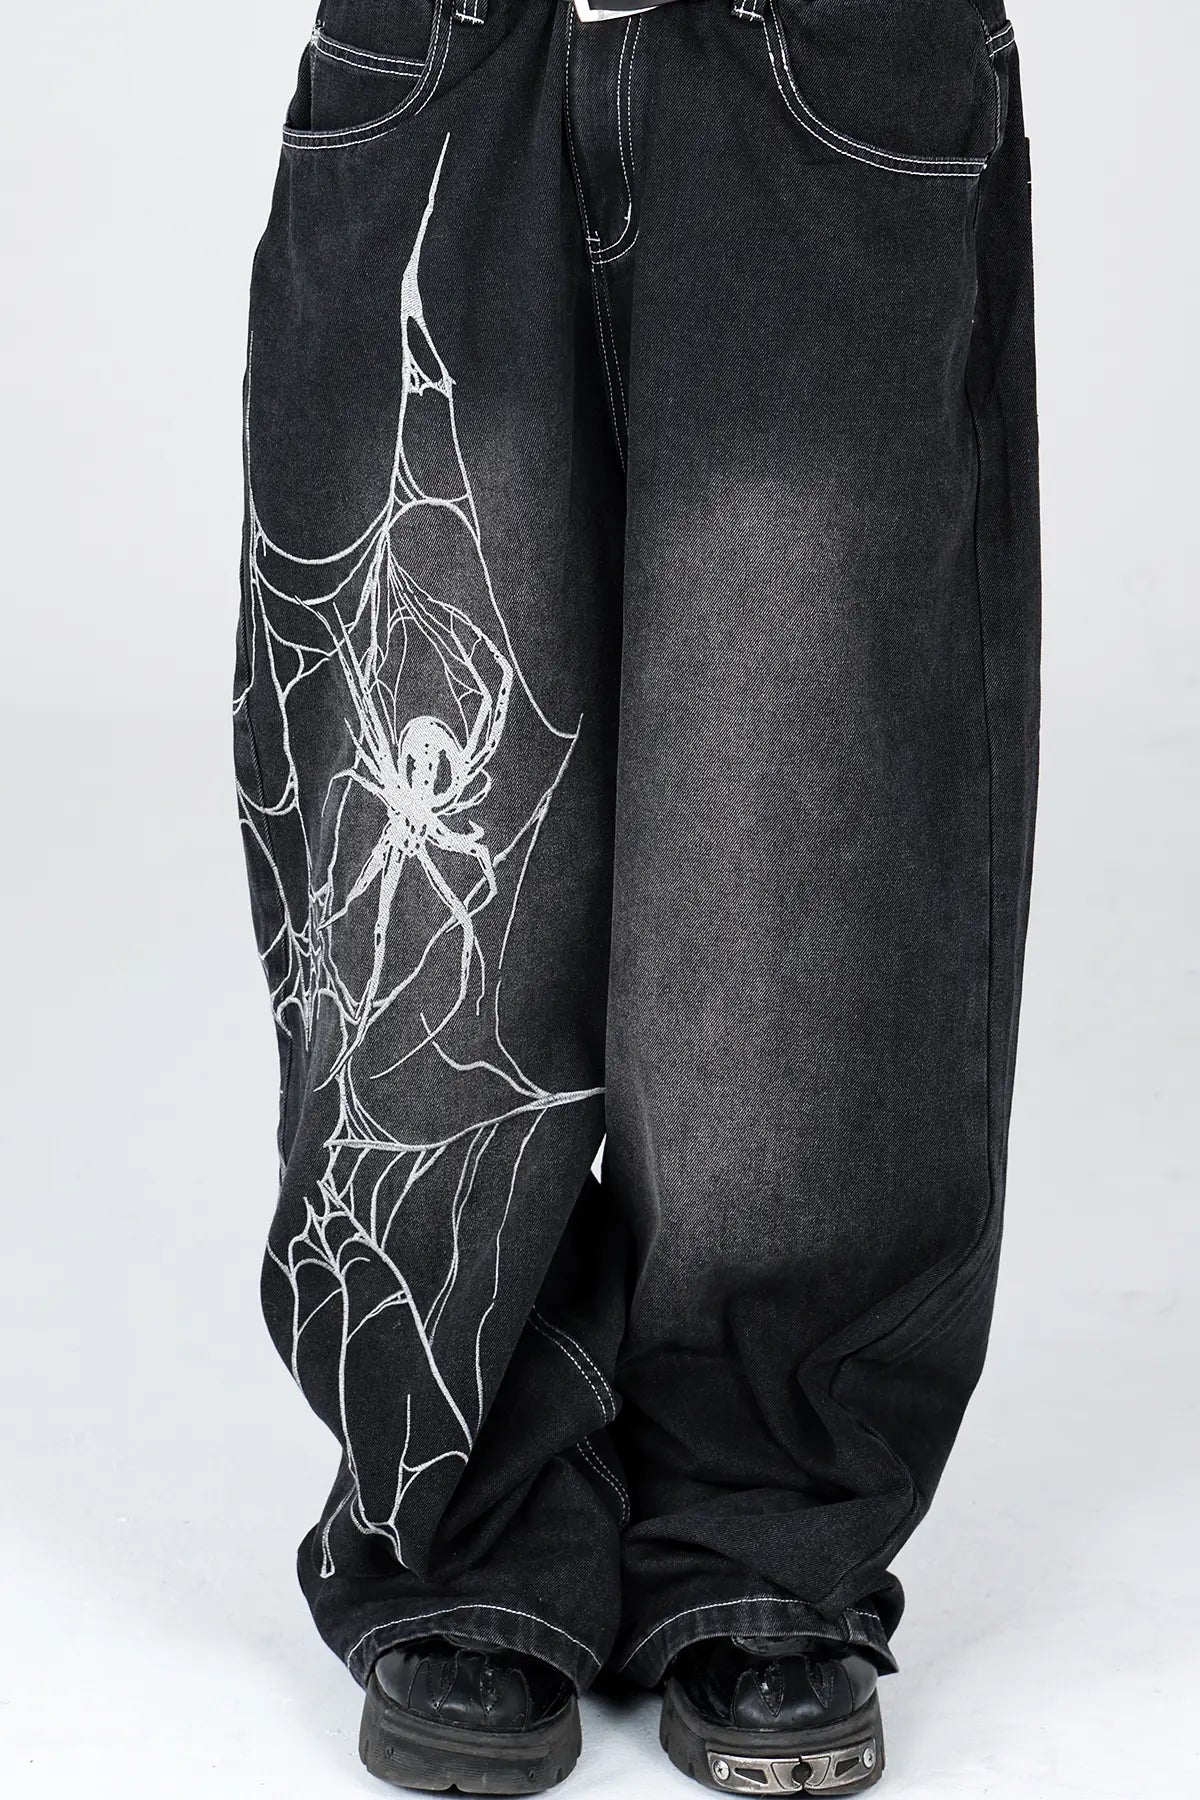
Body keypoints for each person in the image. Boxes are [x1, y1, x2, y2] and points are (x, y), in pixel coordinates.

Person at [233, 0, 1039, 1791]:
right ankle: (465, 1494)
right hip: (442, 44)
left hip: (836, 57)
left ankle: (765, 1515)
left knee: (804, 815)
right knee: (421, 825)